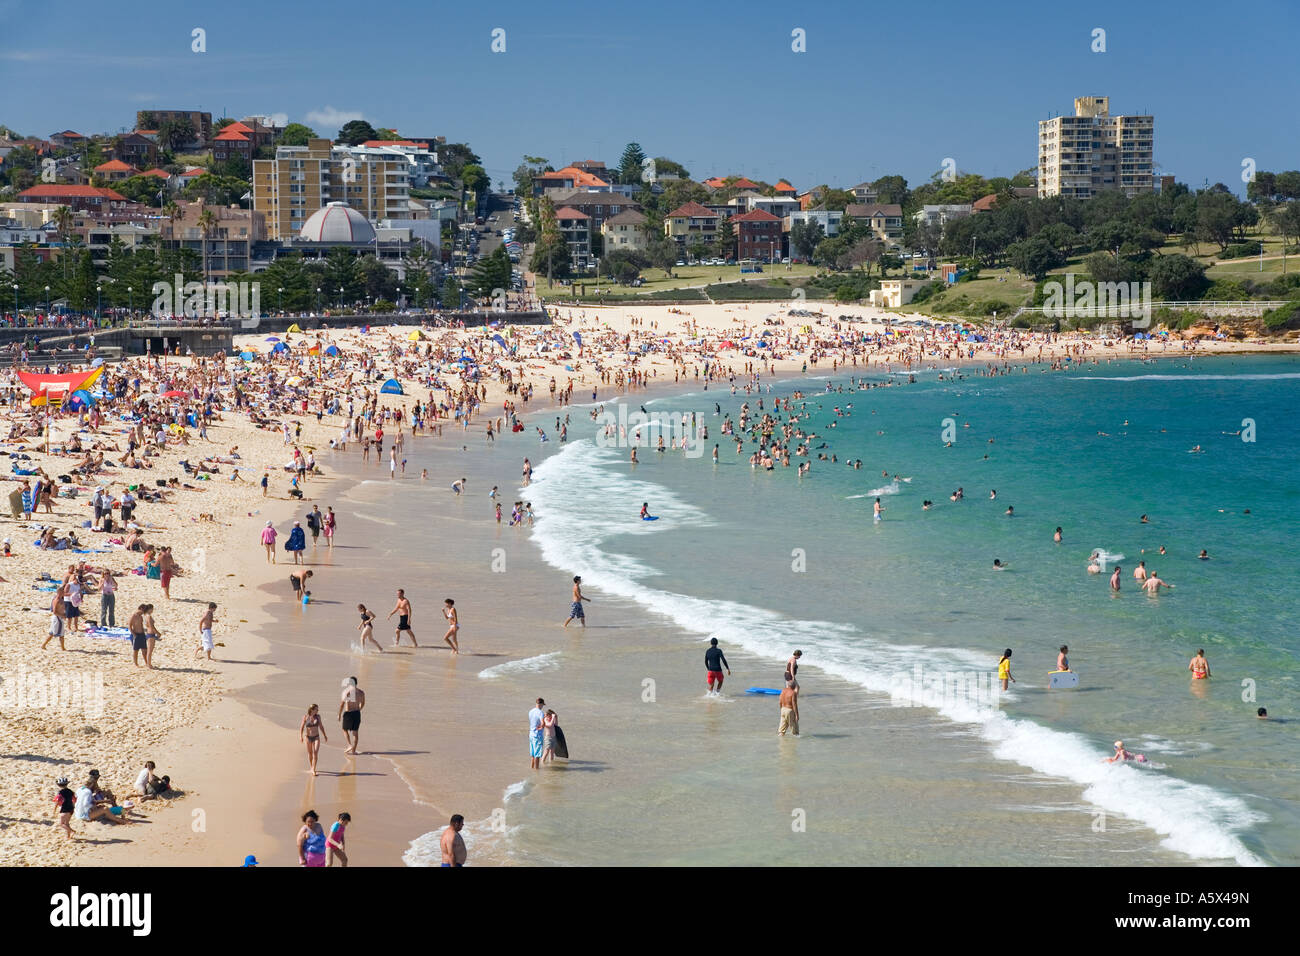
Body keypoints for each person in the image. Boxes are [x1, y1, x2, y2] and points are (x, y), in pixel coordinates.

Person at [339, 676, 365, 755]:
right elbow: (363, 703)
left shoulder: (347, 692)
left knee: (344, 729)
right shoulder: (361, 692)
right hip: (357, 713)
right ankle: (353, 751)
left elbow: (342, 704)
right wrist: (359, 709)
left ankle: (349, 745)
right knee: (355, 733)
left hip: (348, 713)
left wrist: (339, 714)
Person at [301, 703, 327, 775]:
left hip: (316, 737)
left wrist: (325, 735)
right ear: (312, 710)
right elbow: (302, 727)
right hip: (308, 737)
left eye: (317, 709)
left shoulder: (318, 717)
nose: (318, 710)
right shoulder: (305, 717)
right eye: (316, 709)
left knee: (315, 753)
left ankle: (313, 769)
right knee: (310, 753)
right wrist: (301, 736)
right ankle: (311, 767)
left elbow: (321, 726)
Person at [529, 697, 546, 770]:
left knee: (532, 754)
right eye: (542, 705)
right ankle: (536, 770)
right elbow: (543, 723)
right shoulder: (540, 712)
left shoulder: (530, 711)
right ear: (541, 704)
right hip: (537, 735)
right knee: (537, 755)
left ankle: (532, 768)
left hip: (531, 734)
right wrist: (541, 727)